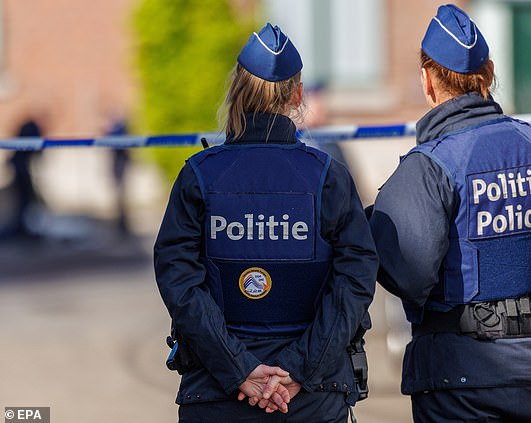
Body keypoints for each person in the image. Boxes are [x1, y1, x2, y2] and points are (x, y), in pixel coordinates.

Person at [367, 5, 531, 422]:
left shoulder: (430, 165)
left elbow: (408, 271)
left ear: (427, 80)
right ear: (489, 74)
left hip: (460, 381)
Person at [154, 23, 377, 422]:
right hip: (312, 397)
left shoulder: (199, 175)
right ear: (297, 95)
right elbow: (354, 282)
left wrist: (240, 369)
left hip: (217, 394)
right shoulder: (329, 176)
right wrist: (298, 370)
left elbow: (179, 281)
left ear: (236, 89)